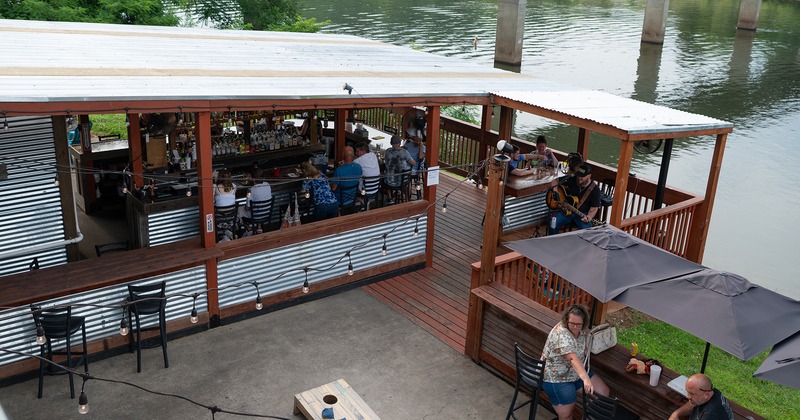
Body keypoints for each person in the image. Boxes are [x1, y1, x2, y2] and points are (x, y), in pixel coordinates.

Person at [542, 304, 610, 420]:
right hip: (557, 378)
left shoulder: (581, 330)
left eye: (578, 324)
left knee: (603, 392)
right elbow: (572, 358)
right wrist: (586, 379)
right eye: (571, 323)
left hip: (576, 373)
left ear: (584, 323)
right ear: (566, 320)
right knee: (567, 415)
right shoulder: (561, 334)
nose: (574, 327)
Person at [548, 163, 601, 235]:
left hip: (582, 214)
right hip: (566, 210)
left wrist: (589, 217)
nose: (579, 178)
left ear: (589, 176)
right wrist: (555, 191)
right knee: (553, 223)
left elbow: (594, 208)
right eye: (578, 175)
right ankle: (551, 242)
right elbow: (554, 181)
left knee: (587, 232)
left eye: (582, 176)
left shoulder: (595, 190)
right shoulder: (572, 179)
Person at [669, 373, 734, 420]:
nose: (688, 396)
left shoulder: (710, 415)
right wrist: (676, 414)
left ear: (706, 395)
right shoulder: (709, 391)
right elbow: (692, 404)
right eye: (688, 392)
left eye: (692, 394)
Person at [383, 135, 416, 201]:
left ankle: (390, 197)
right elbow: (413, 163)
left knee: (386, 175)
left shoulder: (387, 151)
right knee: (408, 179)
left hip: (389, 182)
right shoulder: (404, 152)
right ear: (399, 143)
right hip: (401, 182)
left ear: (391, 143)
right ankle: (407, 199)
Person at [404, 135, 426, 199]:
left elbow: (420, 157)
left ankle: (407, 197)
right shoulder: (410, 144)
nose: (416, 141)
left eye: (418, 139)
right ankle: (402, 190)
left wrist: (421, 146)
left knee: (405, 176)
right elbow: (404, 150)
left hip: (415, 168)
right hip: (406, 165)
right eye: (415, 138)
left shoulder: (423, 148)